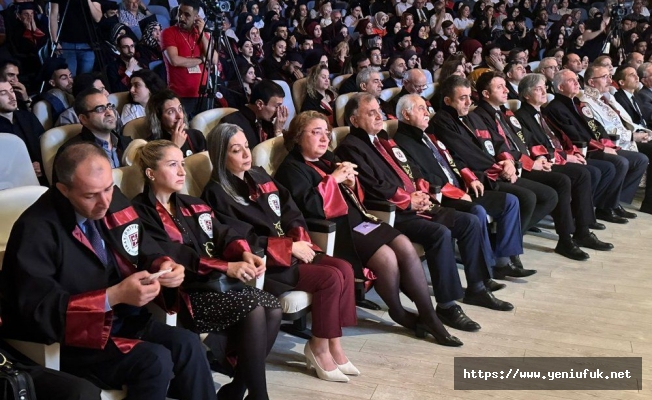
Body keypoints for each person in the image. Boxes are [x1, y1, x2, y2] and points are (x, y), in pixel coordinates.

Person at [1, 142, 218, 399]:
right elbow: (39, 310)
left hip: (123, 320)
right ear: (63, 189)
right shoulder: (36, 229)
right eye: (91, 195)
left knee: (189, 345)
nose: (105, 202)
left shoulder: (111, 199)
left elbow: (142, 243)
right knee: (154, 360)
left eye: (108, 188)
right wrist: (114, 296)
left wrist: (163, 265)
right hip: (75, 340)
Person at [275, 111, 463, 346]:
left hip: (360, 218)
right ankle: (398, 311)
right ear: (298, 136)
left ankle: (429, 315)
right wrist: (332, 180)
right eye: (316, 132)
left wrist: (352, 183)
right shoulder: (291, 168)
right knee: (386, 258)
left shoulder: (328, 157)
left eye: (326, 132)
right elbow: (309, 208)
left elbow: (355, 196)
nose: (324, 139)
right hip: (336, 230)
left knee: (404, 245)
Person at [336, 93, 514, 332]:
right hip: (391, 213)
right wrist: (408, 200)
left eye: (379, 110)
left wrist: (421, 192)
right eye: (371, 113)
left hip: (417, 203)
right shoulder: (350, 148)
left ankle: (477, 288)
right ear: (354, 120)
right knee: (439, 233)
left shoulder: (383, 138)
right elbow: (373, 187)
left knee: (470, 221)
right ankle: (447, 305)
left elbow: (412, 169)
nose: (379, 116)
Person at [202, 123, 359, 383]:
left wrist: (298, 239)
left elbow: (290, 210)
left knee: (344, 268)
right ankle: (318, 348)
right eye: (235, 150)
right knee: (329, 278)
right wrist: (288, 248)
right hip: (269, 265)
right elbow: (240, 241)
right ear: (221, 156)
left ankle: (334, 346)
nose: (245, 154)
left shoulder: (259, 176)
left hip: (290, 250)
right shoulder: (216, 193)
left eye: (246, 147)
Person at [132, 140, 281, 400]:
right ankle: (258, 396)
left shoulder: (191, 203)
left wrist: (243, 252)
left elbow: (223, 231)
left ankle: (238, 389)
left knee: (274, 308)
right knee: (256, 308)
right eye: (172, 165)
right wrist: (228, 267)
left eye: (182, 164)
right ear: (150, 173)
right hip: (185, 293)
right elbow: (175, 254)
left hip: (216, 284)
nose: (182, 171)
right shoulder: (140, 212)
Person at [474, 71, 613, 260]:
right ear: (485, 93)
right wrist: (532, 162)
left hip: (526, 163)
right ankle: (563, 238)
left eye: (505, 85)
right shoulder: (481, 116)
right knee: (563, 181)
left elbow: (527, 141)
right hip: (507, 169)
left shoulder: (503, 113)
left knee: (575, 177)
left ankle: (573, 234)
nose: (507, 90)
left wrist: (541, 158)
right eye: (500, 87)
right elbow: (498, 148)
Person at [393, 94, 527, 280]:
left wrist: (470, 178)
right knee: (477, 211)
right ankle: (486, 269)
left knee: (510, 201)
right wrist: (456, 192)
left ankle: (504, 261)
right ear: (406, 115)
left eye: (426, 108)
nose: (427, 113)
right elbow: (420, 178)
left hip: (463, 188)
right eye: (421, 109)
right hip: (444, 197)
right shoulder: (401, 142)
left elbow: (453, 159)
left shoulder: (427, 135)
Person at [429, 76, 558, 245]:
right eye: (462, 98)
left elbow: (497, 142)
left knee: (549, 196)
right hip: (479, 177)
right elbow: (466, 153)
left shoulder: (471, 116)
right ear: (447, 100)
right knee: (526, 198)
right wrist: (498, 167)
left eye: (469, 96)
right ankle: (506, 251)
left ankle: (502, 243)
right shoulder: (442, 121)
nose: (468, 102)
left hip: (496, 172)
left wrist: (508, 161)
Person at [543, 69, 646, 224]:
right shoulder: (556, 107)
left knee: (639, 159)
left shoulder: (577, 103)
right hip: (583, 150)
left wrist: (607, 143)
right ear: (560, 87)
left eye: (576, 79)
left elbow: (597, 127)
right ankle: (599, 207)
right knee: (618, 163)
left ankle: (610, 203)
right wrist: (602, 147)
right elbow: (574, 135)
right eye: (571, 81)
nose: (577, 82)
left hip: (596, 146)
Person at [56, 88, 132, 176]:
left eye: (109, 106)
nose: (109, 112)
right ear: (84, 119)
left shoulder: (128, 143)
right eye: (100, 109)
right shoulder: (72, 154)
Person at [161, 0, 214, 114]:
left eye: (187, 15)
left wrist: (202, 34)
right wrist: (201, 60)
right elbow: (174, 60)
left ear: (196, 17)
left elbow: (213, 59)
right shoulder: (168, 32)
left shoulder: (201, 33)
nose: (181, 17)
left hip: (202, 94)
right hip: (180, 95)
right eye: (180, 13)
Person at [0, 80, 46, 183]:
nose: (12, 97)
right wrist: (26, 168)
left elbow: (43, 143)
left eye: (11, 91)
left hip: (42, 176)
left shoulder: (27, 116)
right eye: (3, 93)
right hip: (10, 184)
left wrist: (42, 164)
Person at [220, 80, 289, 148]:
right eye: (277, 106)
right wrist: (278, 131)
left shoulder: (266, 122)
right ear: (259, 104)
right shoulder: (231, 124)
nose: (278, 112)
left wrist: (278, 131)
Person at [145, 90, 206, 157]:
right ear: (158, 117)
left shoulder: (197, 136)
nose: (179, 116)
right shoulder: (152, 146)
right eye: (171, 112)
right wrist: (175, 146)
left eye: (180, 109)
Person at [49, 0, 102, 75]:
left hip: (87, 44)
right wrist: (54, 40)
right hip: (67, 43)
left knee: (86, 78)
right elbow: (53, 16)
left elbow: (97, 18)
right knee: (69, 77)